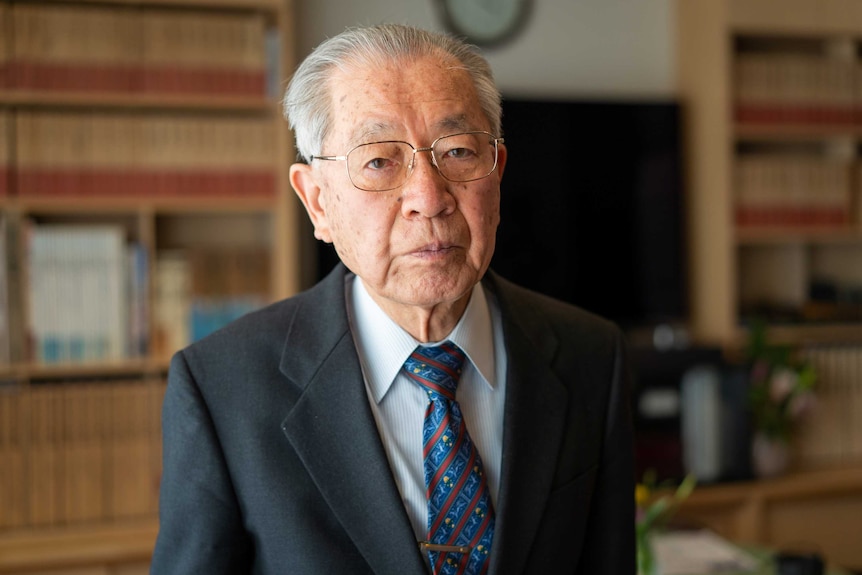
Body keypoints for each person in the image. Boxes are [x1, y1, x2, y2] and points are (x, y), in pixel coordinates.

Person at [151, 23, 635, 575]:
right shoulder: (222, 388)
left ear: (497, 174)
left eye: (456, 152)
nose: (429, 199)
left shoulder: (591, 356)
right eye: (379, 161)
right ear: (317, 203)